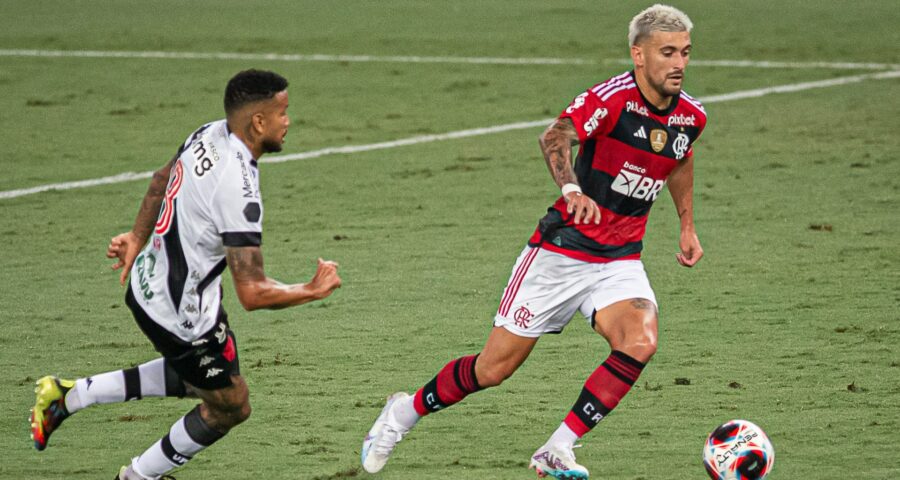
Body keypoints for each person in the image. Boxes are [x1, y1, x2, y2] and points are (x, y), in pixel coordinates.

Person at [361, 4, 706, 479]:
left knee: (640, 340)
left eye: (685, 53)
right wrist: (571, 188)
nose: (679, 64)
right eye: (667, 53)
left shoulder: (691, 116)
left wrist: (686, 223)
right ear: (638, 54)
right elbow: (555, 136)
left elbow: (680, 157)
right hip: (560, 253)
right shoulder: (610, 101)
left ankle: (557, 448)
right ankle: (404, 412)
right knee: (493, 370)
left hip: (619, 259)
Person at [30, 69, 342, 480]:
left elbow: (161, 179)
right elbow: (252, 292)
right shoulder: (239, 189)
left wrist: (135, 237)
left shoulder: (208, 133)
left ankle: (67, 397)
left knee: (211, 378)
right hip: (179, 314)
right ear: (258, 122)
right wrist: (311, 290)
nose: (289, 122)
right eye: (282, 113)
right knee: (231, 405)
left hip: (154, 285)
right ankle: (139, 476)